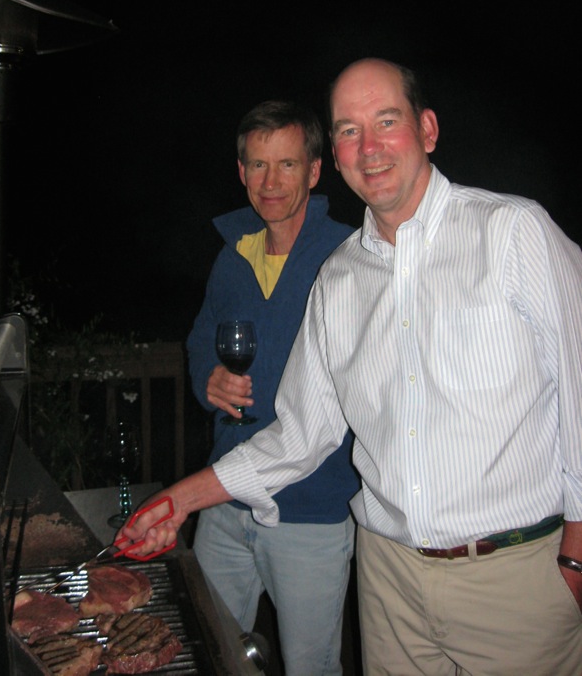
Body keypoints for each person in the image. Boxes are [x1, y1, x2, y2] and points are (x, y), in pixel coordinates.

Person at [119, 59, 582, 675]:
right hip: (388, 582)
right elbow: (301, 433)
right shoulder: (339, 279)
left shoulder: (511, 232)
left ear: (428, 129)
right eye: (347, 130)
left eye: (385, 121)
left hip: (513, 577)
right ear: (335, 156)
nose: (368, 147)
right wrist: (180, 500)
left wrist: (576, 558)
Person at [184, 100, 360, 676]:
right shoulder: (232, 255)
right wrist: (206, 377)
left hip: (310, 507)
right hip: (223, 500)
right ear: (241, 172)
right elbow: (200, 340)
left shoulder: (348, 255)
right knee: (215, 653)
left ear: (314, 171)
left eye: (287, 165)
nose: (271, 182)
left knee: (311, 666)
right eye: (257, 166)